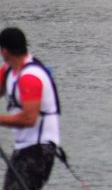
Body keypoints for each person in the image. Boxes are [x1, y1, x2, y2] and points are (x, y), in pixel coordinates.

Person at [0, 27, 61, 190]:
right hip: (23, 148)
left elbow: (28, 119)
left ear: (4, 51)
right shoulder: (8, 70)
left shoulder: (30, 76)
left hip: (40, 149)